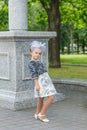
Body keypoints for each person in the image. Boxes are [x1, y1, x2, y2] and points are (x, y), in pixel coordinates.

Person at [28, 40, 57, 122]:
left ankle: (37, 113)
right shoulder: (31, 63)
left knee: (41, 97)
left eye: (39, 53)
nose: (38, 55)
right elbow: (34, 75)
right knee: (51, 97)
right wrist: (37, 84)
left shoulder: (37, 61)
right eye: (36, 53)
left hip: (45, 79)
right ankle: (42, 114)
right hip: (41, 81)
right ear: (31, 52)